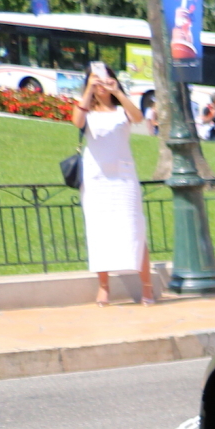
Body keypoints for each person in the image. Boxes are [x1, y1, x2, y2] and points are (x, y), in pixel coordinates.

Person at [75, 66, 156, 306]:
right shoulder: (86, 111)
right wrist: (90, 88)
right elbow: (76, 121)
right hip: (96, 178)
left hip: (123, 178)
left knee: (135, 229)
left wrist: (118, 93)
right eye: (96, 81)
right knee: (99, 231)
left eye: (104, 80)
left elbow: (138, 118)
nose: (101, 86)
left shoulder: (122, 110)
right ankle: (103, 287)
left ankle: (147, 287)